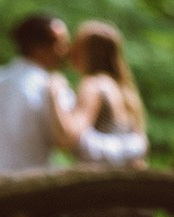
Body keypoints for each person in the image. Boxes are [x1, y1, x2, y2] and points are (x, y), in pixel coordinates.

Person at [0, 15, 146, 180]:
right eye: (63, 43)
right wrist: (133, 148)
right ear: (41, 47)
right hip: (28, 194)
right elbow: (70, 140)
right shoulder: (51, 88)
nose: (68, 51)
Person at [48, 20, 148, 167]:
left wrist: (54, 94)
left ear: (88, 52)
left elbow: (69, 138)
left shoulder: (93, 85)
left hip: (99, 183)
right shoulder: (124, 90)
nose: (70, 51)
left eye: (77, 45)